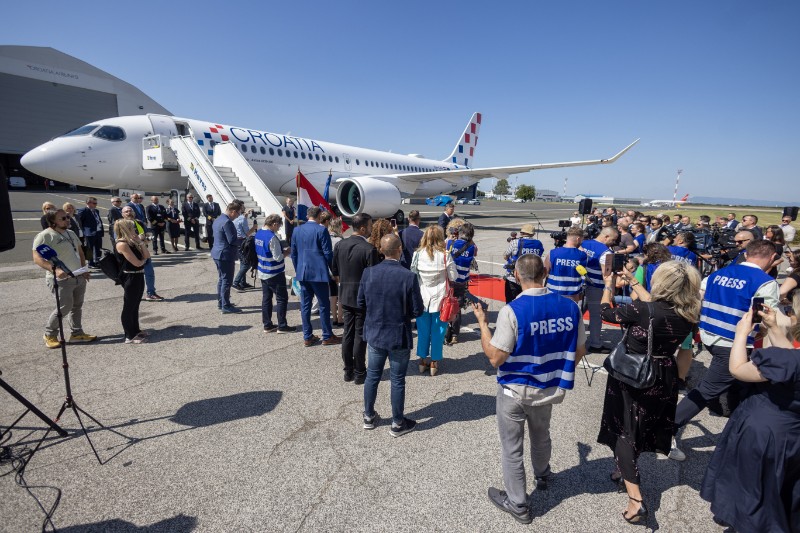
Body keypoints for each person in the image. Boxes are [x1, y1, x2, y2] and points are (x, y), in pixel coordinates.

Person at [472, 254, 585, 525]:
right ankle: (543, 474)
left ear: (516, 275)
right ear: (545, 274)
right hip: (548, 388)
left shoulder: (514, 310)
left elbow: (495, 358)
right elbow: (579, 349)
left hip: (515, 390)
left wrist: (483, 324)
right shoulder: (571, 308)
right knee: (541, 435)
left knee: (512, 448)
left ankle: (518, 503)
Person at [598, 261, 699, 524]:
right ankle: (623, 469)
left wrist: (608, 283)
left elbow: (606, 312)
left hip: (634, 373)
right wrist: (632, 281)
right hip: (664, 371)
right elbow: (655, 308)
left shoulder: (643, 309)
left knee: (625, 432)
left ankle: (636, 500)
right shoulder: (689, 313)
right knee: (641, 428)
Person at [671, 239, 780, 460]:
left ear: (747, 254)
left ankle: (743, 430)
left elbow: (699, 295)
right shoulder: (765, 282)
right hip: (733, 344)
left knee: (744, 386)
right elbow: (769, 318)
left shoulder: (719, 273)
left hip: (709, 336)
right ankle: (665, 428)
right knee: (707, 390)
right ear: (770, 258)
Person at [701, 300, 800, 532]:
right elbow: (790, 362)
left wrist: (741, 334)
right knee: (779, 491)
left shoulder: (788, 361)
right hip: (792, 434)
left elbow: (738, 369)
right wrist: (774, 328)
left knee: (751, 494)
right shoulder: (792, 360)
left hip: (764, 435)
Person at [360, 234, 424, 437]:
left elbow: (360, 303)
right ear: (399, 249)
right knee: (397, 379)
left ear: (381, 250)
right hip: (398, 333)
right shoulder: (408, 276)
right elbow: (417, 310)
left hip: (375, 332)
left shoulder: (368, 273)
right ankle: (397, 422)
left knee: (372, 375)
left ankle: (368, 416)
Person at [32, 209, 97, 348]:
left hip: (78, 275)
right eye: (63, 218)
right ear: (53, 221)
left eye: (67, 217)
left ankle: (77, 334)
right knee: (64, 307)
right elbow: (37, 258)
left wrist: (84, 270)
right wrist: (55, 270)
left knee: (77, 306)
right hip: (61, 279)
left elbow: (80, 252)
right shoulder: (44, 236)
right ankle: (49, 334)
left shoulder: (71, 233)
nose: (67, 220)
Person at [332, 213, 380, 383]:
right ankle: (360, 372)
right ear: (362, 228)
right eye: (370, 226)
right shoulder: (369, 249)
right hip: (362, 297)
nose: (371, 229)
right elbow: (373, 279)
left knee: (348, 333)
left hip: (345, 295)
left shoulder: (340, 245)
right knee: (359, 334)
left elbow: (335, 273)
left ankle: (348, 370)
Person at [291, 206, 341, 347]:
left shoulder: (297, 230)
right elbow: (327, 253)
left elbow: (293, 254)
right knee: (324, 304)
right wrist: (334, 271)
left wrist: (298, 269)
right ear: (319, 216)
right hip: (318, 272)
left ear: (308, 216)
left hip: (303, 271)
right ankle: (327, 335)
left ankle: (307, 336)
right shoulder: (321, 230)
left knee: (305, 305)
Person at [412, 225, 455, 376]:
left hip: (422, 298)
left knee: (423, 331)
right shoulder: (445, 255)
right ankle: (434, 362)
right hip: (441, 299)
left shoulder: (417, 254)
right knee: (438, 332)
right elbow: (453, 277)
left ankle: (422, 360)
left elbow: (413, 274)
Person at [255, 214, 296, 334]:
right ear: (274, 224)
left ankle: (267, 324)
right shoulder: (271, 237)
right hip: (274, 272)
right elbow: (278, 257)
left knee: (266, 299)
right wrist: (287, 252)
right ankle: (282, 325)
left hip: (262, 271)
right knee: (282, 299)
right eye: (278, 227)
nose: (278, 229)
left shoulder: (258, 234)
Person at [581, 227, 618, 352]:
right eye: (613, 240)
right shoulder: (606, 252)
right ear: (606, 237)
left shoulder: (584, 243)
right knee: (596, 315)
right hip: (595, 286)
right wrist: (610, 289)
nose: (613, 243)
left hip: (581, 284)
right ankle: (595, 343)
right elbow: (606, 274)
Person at [113, 219, 150, 344]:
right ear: (126, 229)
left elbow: (147, 256)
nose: (134, 230)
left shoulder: (132, 242)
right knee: (129, 306)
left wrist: (140, 242)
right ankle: (129, 335)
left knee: (136, 304)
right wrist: (143, 262)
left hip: (138, 275)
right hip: (130, 277)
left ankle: (136, 330)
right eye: (132, 228)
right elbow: (138, 262)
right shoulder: (121, 244)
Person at [122, 206, 164, 301]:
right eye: (126, 211)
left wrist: (145, 239)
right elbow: (120, 241)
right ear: (122, 214)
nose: (129, 213)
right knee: (133, 277)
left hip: (143, 252)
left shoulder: (139, 223)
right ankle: (132, 295)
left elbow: (147, 235)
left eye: (130, 211)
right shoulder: (121, 224)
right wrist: (138, 240)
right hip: (131, 254)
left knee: (149, 274)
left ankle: (151, 293)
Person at [445, 221, 477, 345]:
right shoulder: (471, 247)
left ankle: (446, 331)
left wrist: (453, 236)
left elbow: (446, 248)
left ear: (460, 233)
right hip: (462, 280)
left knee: (446, 303)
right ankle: (455, 334)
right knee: (457, 307)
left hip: (451, 279)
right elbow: (475, 249)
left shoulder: (451, 243)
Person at [211, 202, 243, 313]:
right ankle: (226, 305)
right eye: (238, 214)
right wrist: (243, 240)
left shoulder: (218, 219)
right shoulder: (227, 222)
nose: (238, 216)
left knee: (221, 279)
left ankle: (221, 302)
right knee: (227, 280)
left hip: (217, 253)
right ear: (233, 211)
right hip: (225, 254)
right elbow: (232, 240)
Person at [544, 226, 587, 303]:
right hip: (572, 295)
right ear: (578, 239)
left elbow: (545, 271)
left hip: (553, 292)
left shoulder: (553, 253)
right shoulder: (582, 255)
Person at [503, 223, 544, 303]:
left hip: (514, 277)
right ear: (532, 234)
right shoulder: (538, 243)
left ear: (521, 233)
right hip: (531, 277)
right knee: (527, 302)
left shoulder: (515, 242)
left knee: (511, 302)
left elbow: (505, 255)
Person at [322, 212, 344, 327]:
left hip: (328, 270)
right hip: (339, 271)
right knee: (340, 295)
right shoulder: (340, 241)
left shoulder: (325, 238)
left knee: (332, 296)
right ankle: (340, 318)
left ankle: (334, 318)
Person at [232, 208, 258, 291]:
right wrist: (254, 227)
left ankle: (242, 282)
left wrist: (246, 216)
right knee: (247, 263)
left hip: (238, 242)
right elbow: (247, 233)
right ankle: (236, 283)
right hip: (243, 243)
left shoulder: (236, 218)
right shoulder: (242, 219)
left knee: (243, 263)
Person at [77, 196, 104, 268]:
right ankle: (90, 263)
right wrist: (84, 230)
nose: (96, 205)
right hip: (89, 233)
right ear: (88, 203)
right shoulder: (83, 210)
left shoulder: (96, 211)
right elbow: (79, 221)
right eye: (94, 203)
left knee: (98, 248)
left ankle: (97, 261)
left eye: (96, 203)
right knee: (90, 249)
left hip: (98, 232)